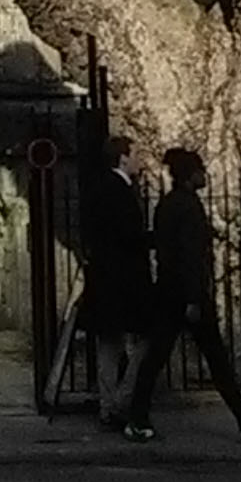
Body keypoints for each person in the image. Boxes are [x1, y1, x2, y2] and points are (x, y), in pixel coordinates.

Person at [122, 145, 241, 441]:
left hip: (168, 290)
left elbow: (165, 250)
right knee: (211, 359)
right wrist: (194, 298)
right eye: (200, 171)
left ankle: (139, 417)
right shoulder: (189, 206)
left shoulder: (166, 204)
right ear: (190, 176)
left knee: (159, 357)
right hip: (187, 295)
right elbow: (190, 255)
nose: (205, 175)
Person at [83, 133, 154, 424]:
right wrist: (154, 239)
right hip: (124, 279)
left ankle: (107, 404)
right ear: (123, 158)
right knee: (147, 340)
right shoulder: (120, 191)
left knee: (109, 345)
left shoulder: (98, 189)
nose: (139, 160)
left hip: (104, 278)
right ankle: (121, 399)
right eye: (135, 154)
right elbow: (129, 236)